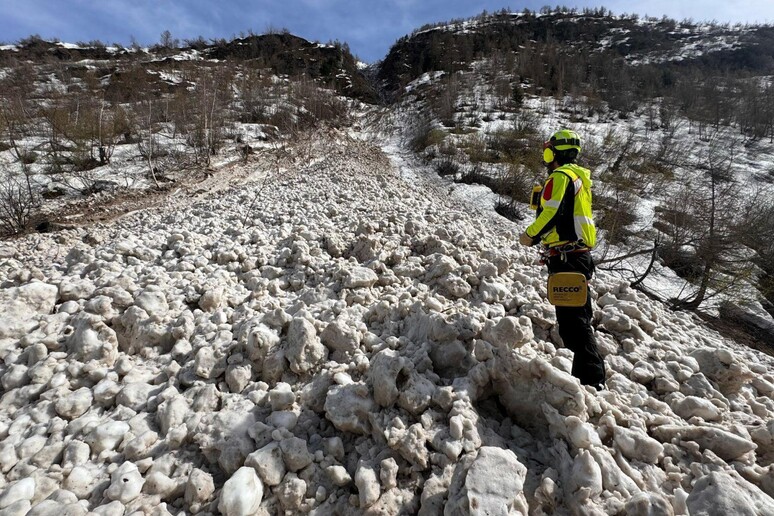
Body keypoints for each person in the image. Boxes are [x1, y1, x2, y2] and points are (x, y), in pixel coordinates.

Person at [518, 129, 606, 389]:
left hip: (567, 256)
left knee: (573, 324)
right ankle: (587, 376)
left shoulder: (560, 176)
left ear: (551, 152)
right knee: (578, 318)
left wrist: (530, 235)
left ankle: (591, 381)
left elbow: (552, 216)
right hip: (577, 256)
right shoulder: (579, 178)